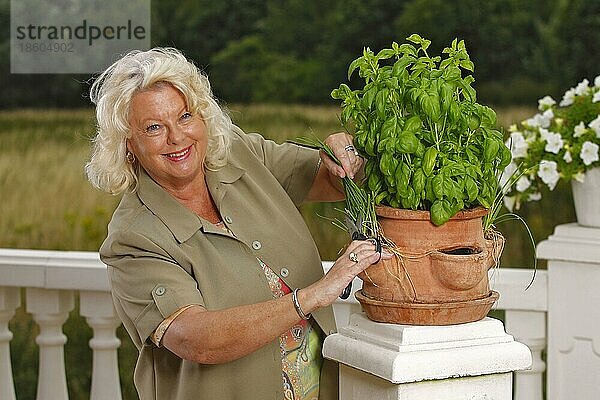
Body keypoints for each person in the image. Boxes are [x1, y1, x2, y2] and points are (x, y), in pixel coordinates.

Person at [86, 48, 391, 400]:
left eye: (185, 116)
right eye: (154, 127)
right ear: (128, 146)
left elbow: (331, 178)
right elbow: (194, 338)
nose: (177, 137)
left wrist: (346, 153)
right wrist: (312, 296)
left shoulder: (238, 154)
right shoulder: (133, 237)